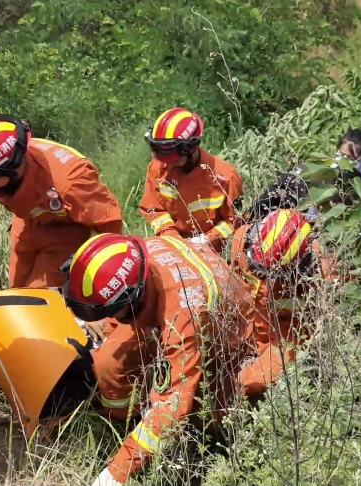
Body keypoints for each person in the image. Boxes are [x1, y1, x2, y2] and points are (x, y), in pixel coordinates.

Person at [59, 233, 262, 486]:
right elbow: (117, 317)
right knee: (111, 361)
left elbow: (174, 403)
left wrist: (116, 475)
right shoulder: (128, 254)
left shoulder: (186, 313)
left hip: (225, 348)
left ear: (132, 299)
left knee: (208, 418)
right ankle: (125, 422)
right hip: (164, 311)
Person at [0, 114, 124, 289]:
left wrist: (103, 275)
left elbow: (109, 225)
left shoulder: (71, 183)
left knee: (40, 297)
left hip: (66, 230)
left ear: (12, 169)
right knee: (16, 292)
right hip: (27, 225)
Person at [229, 209, 343, 398]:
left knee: (249, 382)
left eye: (269, 273)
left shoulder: (321, 276)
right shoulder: (242, 240)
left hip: (286, 339)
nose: (260, 275)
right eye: (257, 267)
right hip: (244, 328)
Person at [138, 107, 244, 253]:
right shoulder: (158, 168)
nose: (167, 163)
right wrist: (171, 237)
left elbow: (235, 221)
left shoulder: (226, 177)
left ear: (191, 149)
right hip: (172, 246)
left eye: (172, 158)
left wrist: (205, 240)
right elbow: (153, 209)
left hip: (214, 253)